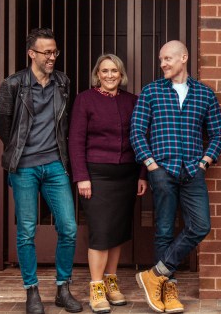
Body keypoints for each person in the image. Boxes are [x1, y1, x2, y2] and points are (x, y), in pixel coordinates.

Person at [130, 40, 221, 314]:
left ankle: (155, 274)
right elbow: (137, 132)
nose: (163, 64)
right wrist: (151, 165)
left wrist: (205, 162)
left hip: (193, 171)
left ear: (184, 57)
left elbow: (218, 134)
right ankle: (167, 291)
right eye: (161, 60)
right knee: (163, 230)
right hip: (163, 171)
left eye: (168, 59)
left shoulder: (205, 94)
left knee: (201, 225)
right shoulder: (150, 93)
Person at [0, 28, 82, 314]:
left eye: (54, 51)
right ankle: (31, 291)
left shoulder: (63, 82)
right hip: (24, 167)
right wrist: (20, 154)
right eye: (46, 52)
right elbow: (5, 129)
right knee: (27, 232)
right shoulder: (12, 85)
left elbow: (64, 123)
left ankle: (62, 288)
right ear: (31, 53)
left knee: (68, 227)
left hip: (56, 165)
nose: (52, 57)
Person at [68, 54, 148, 313]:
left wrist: (142, 175)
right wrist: (81, 176)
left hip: (126, 175)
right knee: (101, 233)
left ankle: (112, 283)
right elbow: (75, 141)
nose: (110, 75)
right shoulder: (85, 99)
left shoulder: (132, 101)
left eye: (114, 70)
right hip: (96, 176)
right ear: (97, 75)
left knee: (117, 233)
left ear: (121, 74)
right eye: (105, 71)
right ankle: (96, 286)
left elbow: (142, 139)